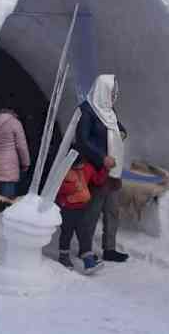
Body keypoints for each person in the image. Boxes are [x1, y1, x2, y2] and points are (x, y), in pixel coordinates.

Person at [74, 74, 129, 263]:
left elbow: (116, 126)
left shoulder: (108, 109)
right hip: (97, 171)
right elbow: (82, 140)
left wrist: (122, 132)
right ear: (103, 89)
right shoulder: (87, 111)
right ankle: (85, 249)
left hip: (114, 170)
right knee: (92, 211)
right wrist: (101, 157)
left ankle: (110, 248)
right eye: (112, 90)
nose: (115, 94)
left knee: (112, 210)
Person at [56, 157, 109, 274]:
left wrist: (106, 168)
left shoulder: (87, 168)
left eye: (81, 164)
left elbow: (97, 180)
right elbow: (58, 187)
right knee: (67, 232)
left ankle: (88, 261)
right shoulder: (63, 169)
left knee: (84, 234)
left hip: (82, 208)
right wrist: (72, 187)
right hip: (67, 209)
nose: (80, 167)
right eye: (77, 165)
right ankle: (63, 257)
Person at [0, 108, 30, 198]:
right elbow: (21, 146)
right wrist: (26, 163)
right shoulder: (14, 123)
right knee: (7, 202)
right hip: (9, 167)